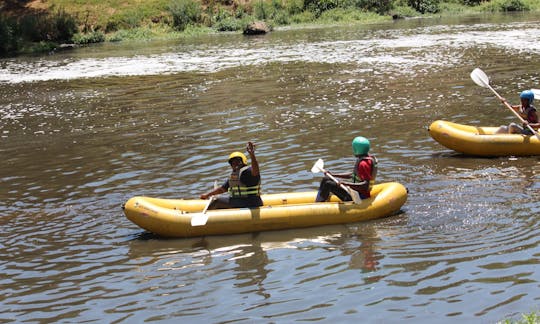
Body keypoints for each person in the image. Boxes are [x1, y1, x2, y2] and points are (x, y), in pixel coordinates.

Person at [200, 141, 263, 209]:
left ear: (243, 162)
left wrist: (252, 155)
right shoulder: (235, 176)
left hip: (250, 202)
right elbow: (222, 189)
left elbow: (256, 172)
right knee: (218, 199)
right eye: (233, 163)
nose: (235, 164)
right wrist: (207, 195)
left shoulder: (247, 171)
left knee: (216, 202)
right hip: (240, 201)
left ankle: (209, 217)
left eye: (237, 162)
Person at [315, 136, 378, 202]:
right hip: (355, 192)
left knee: (328, 184)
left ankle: (318, 203)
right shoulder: (364, 159)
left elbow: (365, 185)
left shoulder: (363, 164)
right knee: (326, 179)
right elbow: (352, 175)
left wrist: (345, 183)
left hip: (358, 197)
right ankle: (320, 199)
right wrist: (333, 175)